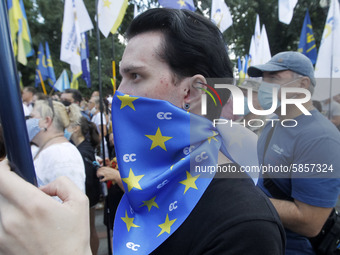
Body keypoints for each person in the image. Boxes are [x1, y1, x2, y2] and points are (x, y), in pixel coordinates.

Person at [0, 9, 284, 254]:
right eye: (121, 77)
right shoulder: (154, 183)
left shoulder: (247, 226)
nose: (120, 93)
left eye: (136, 76)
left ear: (193, 93)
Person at [247, 51, 340, 254]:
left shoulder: (320, 138)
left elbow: (310, 222)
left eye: (274, 78)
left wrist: (244, 200)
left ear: (302, 84)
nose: (265, 85)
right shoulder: (273, 122)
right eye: (264, 79)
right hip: (264, 239)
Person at [27, 99, 86, 193]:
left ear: (46, 121)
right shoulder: (43, 149)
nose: (28, 121)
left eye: (31, 117)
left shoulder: (62, 155)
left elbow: (70, 203)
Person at [66, 115, 101, 255]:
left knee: (89, 230)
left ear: (76, 128)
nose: (65, 130)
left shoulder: (82, 150)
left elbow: (86, 179)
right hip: (88, 196)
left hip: (87, 196)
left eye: (68, 126)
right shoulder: (81, 147)